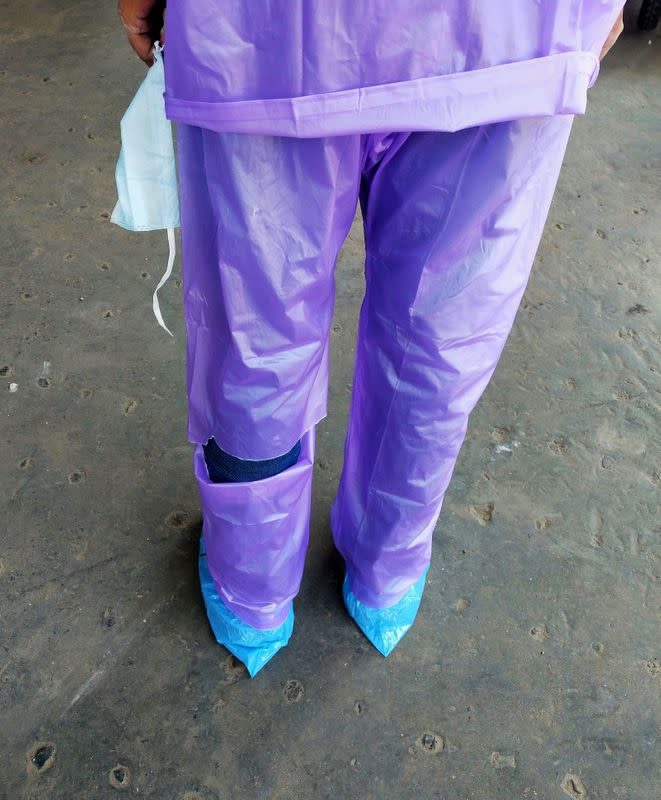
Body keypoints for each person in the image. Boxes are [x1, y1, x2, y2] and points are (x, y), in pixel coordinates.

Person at [117, 0, 625, 676]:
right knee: (443, 336)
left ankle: (253, 590)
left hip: (261, 34)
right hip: (513, 31)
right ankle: (386, 569)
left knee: (255, 338)